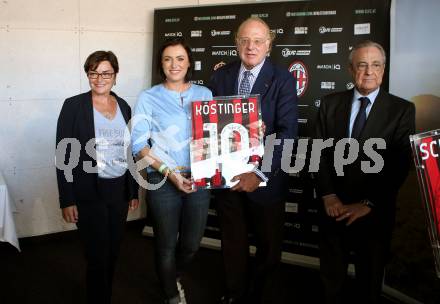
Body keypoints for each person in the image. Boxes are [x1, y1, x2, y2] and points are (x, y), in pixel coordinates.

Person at [315, 40, 415, 304]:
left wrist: (368, 203)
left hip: (373, 214)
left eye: (376, 65)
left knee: (368, 286)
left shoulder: (402, 110)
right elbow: (318, 153)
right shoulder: (329, 104)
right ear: (350, 70)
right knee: (331, 283)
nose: (369, 71)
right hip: (333, 210)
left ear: (383, 70)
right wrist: (328, 195)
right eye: (362, 65)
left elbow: (399, 164)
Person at [208, 17, 298, 303]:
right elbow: (208, 127)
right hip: (227, 177)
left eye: (258, 41)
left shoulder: (282, 78)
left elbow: (287, 131)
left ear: (268, 45)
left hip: (265, 180)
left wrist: (258, 173)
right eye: (245, 40)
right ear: (236, 43)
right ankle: (234, 293)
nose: (251, 46)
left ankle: (260, 296)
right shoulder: (220, 77)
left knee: (269, 247)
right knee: (232, 243)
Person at [131, 37, 212, 304]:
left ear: (189, 63)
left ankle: (172, 276)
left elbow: (212, 137)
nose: (174, 64)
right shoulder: (149, 97)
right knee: (165, 243)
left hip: (198, 177)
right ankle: (170, 294)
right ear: (161, 64)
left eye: (179, 58)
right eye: (167, 59)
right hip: (162, 176)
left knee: (190, 244)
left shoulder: (204, 94)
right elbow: (139, 145)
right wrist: (170, 173)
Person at [55, 50, 139, 304]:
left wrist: (133, 191)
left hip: (119, 191)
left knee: (112, 252)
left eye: (106, 73)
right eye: (94, 73)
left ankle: (105, 295)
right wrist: (66, 199)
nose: (99, 78)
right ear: (88, 75)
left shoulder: (123, 105)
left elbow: (130, 150)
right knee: (97, 255)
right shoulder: (73, 106)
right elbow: (63, 155)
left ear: (115, 76)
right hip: (88, 191)